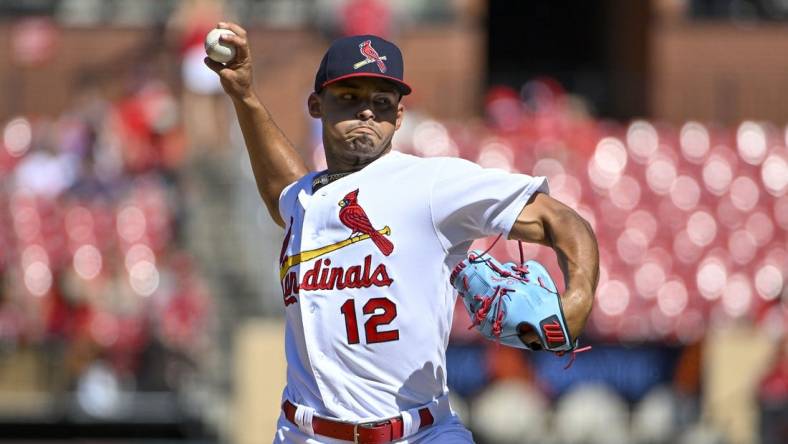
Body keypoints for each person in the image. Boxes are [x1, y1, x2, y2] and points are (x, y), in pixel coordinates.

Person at [205, 23, 599, 444]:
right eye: (349, 98)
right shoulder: (306, 199)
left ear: (399, 114)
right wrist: (244, 96)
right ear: (316, 105)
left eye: (381, 101)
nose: (367, 111)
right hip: (304, 434)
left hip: (418, 434)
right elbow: (280, 191)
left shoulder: (431, 184)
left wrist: (578, 297)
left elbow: (560, 221)